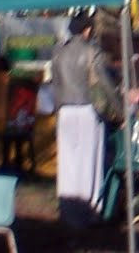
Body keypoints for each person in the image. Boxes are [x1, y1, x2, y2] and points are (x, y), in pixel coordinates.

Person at [50, 14, 120, 228]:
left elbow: (54, 84)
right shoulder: (92, 52)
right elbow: (105, 85)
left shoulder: (58, 53)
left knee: (68, 162)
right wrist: (120, 109)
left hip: (64, 110)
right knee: (90, 161)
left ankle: (68, 209)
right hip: (87, 109)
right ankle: (91, 209)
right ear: (87, 30)